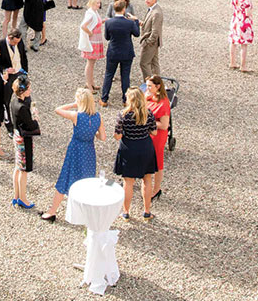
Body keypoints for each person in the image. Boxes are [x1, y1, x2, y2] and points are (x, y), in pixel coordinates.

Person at [40, 88, 103, 222]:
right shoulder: (98, 116)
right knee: (87, 180)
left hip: (76, 149)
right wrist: (92, 133)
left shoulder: (76, 116)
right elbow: (102, 137)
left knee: (66, 177)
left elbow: (58, 109)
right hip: (89, 151)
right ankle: (88, 214)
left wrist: (73, 104)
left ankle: (52, 211)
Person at [113, 88, 157, 221]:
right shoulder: (148, 113)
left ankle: (126, 212)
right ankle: (147, 211)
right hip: (145, 147)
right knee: (147, 179)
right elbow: (154, 132)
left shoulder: (123, 115)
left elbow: (117, 136)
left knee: (128, 182)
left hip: (129, 148)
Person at [101, 0, 140, 107]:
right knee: (125, 76)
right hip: (127, 52)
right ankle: (125, 100)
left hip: (113, 51)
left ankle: (104, 99)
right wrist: (135, 21)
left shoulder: (109, 22)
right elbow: (137, 34)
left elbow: (107, 37)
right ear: (124, 10)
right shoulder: (130, 23)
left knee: (109, 75)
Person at [8, 76, 39, 210]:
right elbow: (31, 125)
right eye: (28, 88)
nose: (30, 90)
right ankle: (23, 198)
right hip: (23, 138)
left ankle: (16, 195)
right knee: (24, 170)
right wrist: (36, 117)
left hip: (16, 134)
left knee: (17, 166)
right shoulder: (22, 108)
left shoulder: (14, 100)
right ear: (22, 91)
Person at [145, 76, 171, 202]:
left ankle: (156, 188)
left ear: (158, 86)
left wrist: (148, 123)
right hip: (148, 134)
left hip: (158, 136)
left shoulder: (164, 103)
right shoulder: (149, 97)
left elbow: (164, 125)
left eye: (150, 86)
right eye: (147, 85)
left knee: (158, 162)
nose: (147, 88)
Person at [78, 0, 105, 92]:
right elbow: (83, 26)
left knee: (92, 63)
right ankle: (89, 84)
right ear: (93, 3)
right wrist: (90, 33)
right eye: (97, 3)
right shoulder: (90, 13)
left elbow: (96, 22)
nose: (99, 5)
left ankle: (91, 82)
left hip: (96, 39)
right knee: (90, 63)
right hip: (92, 40)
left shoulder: (94, 12)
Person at [138, 0, 163, 82]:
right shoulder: (152, 9)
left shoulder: (156, 12)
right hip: (154, 42)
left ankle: (149, 84)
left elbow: (155, 31)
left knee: (144, 63)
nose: (146, 1)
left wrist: (148, 42)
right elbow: (149, 25)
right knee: (154, 63)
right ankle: (158, 83)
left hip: (151, 42)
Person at [230, 0, 254, 71]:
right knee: (244, 44)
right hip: (244, 21)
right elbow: (248, 12)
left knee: (233, 42)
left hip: (235, 19)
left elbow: (231, 7)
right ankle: (243, 66)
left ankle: (232, 62)